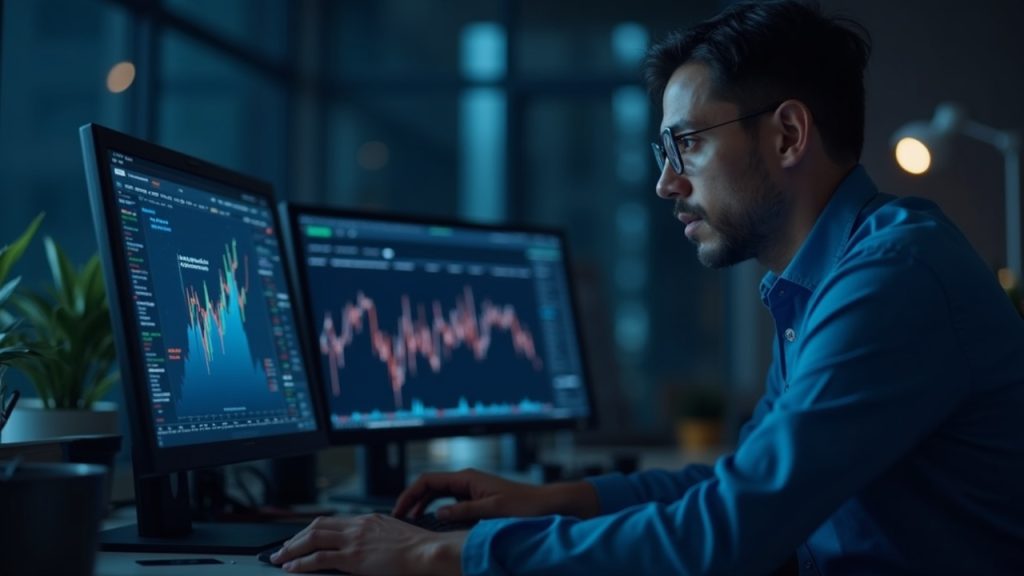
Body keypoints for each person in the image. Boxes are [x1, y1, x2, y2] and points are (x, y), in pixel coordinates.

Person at [270, 1, 1024, 574]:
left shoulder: (892, 281)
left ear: (789, 135)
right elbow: (744, 482)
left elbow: (728, 532)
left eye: (687, 144)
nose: (666, 183)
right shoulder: (824, 283)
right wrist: (555, 499)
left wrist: (436, 556)